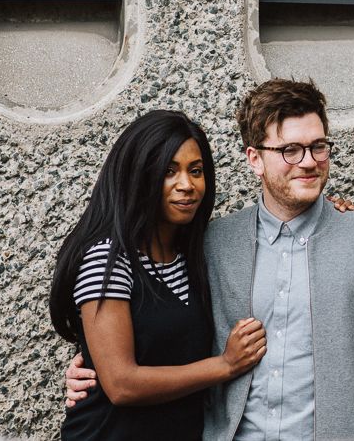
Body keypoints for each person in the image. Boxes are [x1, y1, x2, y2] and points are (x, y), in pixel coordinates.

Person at [68, 79, 354, 439]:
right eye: (290, 149)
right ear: (255, 159)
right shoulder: (213, 243)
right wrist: (95, 369)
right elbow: (156, 331)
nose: (308, 162)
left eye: (318, 146)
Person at [49, 110, 267, 440]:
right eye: (169, 171)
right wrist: (225, 365)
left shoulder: (195, 255)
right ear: (139, 175)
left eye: (196, 171)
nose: (187, 185)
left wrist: (332, 217)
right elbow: (121, 384)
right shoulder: (109, 259)